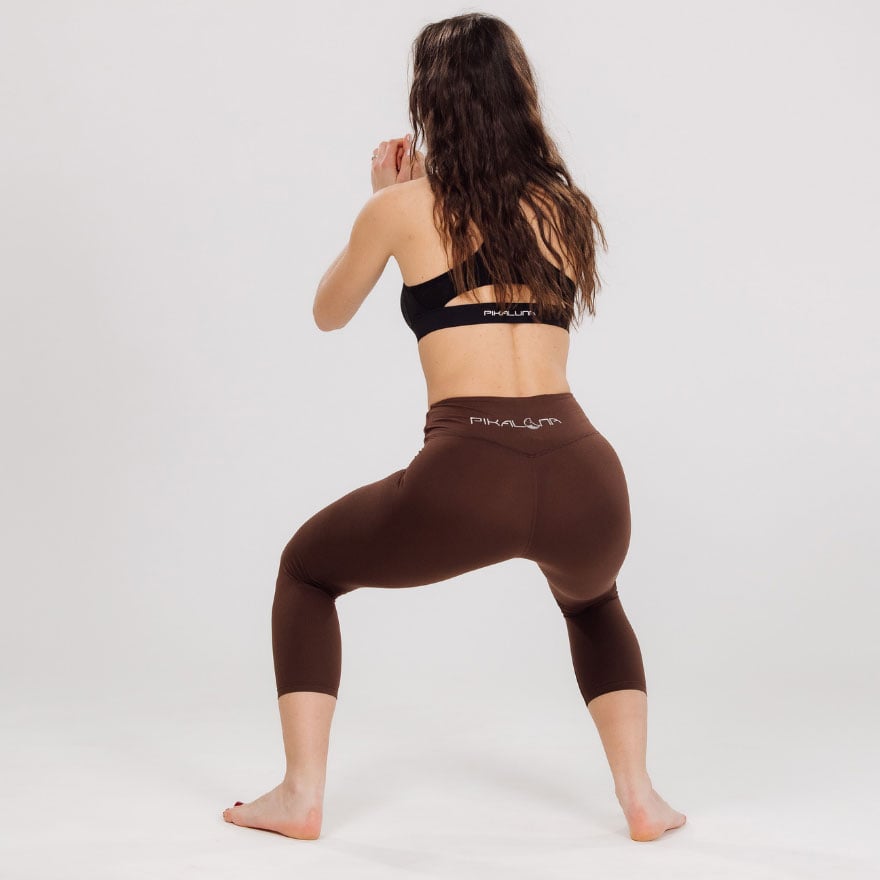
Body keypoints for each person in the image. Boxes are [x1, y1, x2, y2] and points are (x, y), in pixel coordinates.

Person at [222, 12, 686, 843]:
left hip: (472, 469)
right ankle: (642, 799)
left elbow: (328, 312)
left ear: (432, 105)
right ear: (519, 96)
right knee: (594, 604)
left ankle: (299, 795)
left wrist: (384, 202)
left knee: (306, 572)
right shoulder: (565, 207)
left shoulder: (403, 208)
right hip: (585, 473)